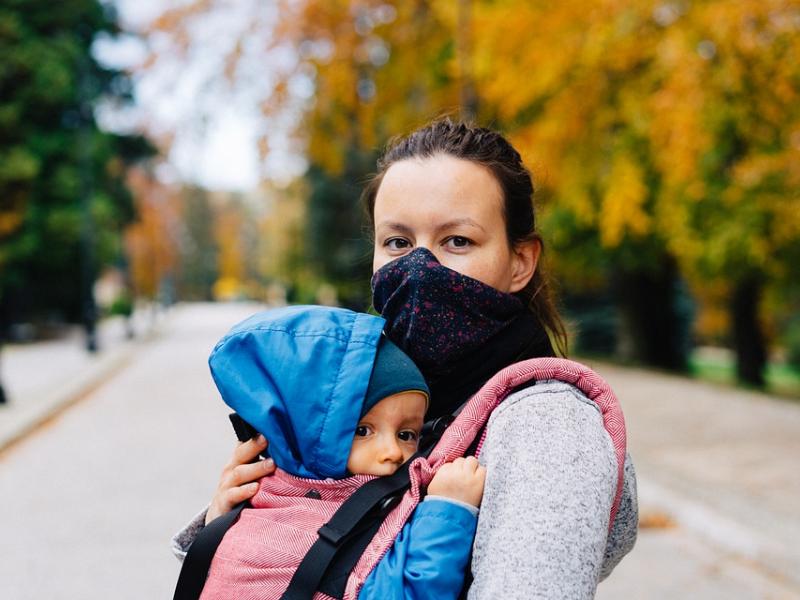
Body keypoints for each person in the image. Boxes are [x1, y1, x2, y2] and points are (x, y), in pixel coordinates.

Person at [173, 119, 638, 598]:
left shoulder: (547, 425)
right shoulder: (376, 390)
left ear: (520, 261)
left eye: (457, 240)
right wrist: (240, 521)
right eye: (397, 242)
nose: (419, 268)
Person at [191, 305, 485, 599]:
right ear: (306, 433)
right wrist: (448, 510)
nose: (393, 451)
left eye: (406, 434)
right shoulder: (276, 528)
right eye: (362, 431)